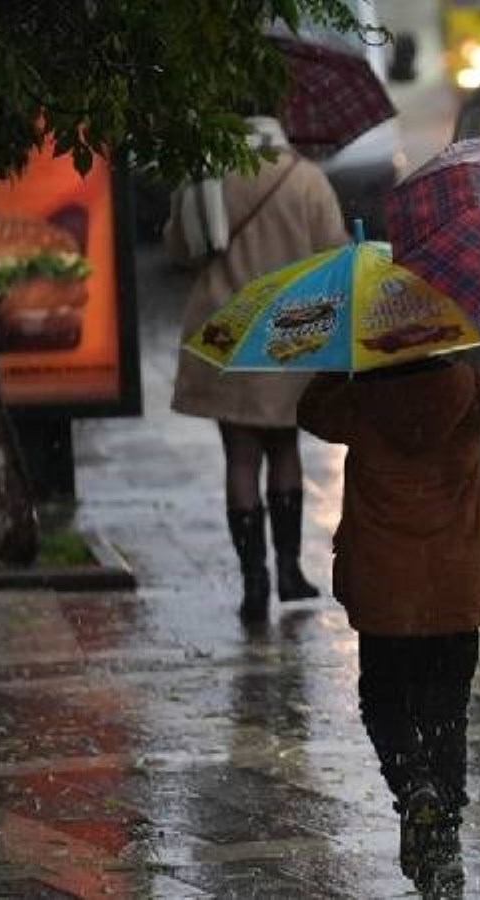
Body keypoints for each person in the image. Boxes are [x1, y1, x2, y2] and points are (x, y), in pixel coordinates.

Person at [296, 329, 480, 893]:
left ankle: (414, 787)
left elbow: (309, 410)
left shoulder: (360, 402)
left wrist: (347, 352)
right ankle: (445, 844)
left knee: (384, 702)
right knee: (447, 713)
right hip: (454, 589)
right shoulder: (475, 395)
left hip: (386, 591)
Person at [167, 115, 348, 621]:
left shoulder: (207, 173)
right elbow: (334, 253)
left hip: (225, 331)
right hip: (290, 332)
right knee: (285, 446)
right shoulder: (306, 179)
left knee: (240, 458)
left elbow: (179, 248)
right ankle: (290, 570)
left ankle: (255, 582)